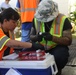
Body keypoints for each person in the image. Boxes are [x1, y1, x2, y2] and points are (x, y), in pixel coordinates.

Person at [30, 0, 72, 75]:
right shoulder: (36, 19)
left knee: (60, 56)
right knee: (25, 50)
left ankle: (56, 71)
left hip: (56, 47)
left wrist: (53, 38)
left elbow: (68, 41)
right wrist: (36, 37)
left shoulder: (63, 19)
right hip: (40, 47)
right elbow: (31, 36)